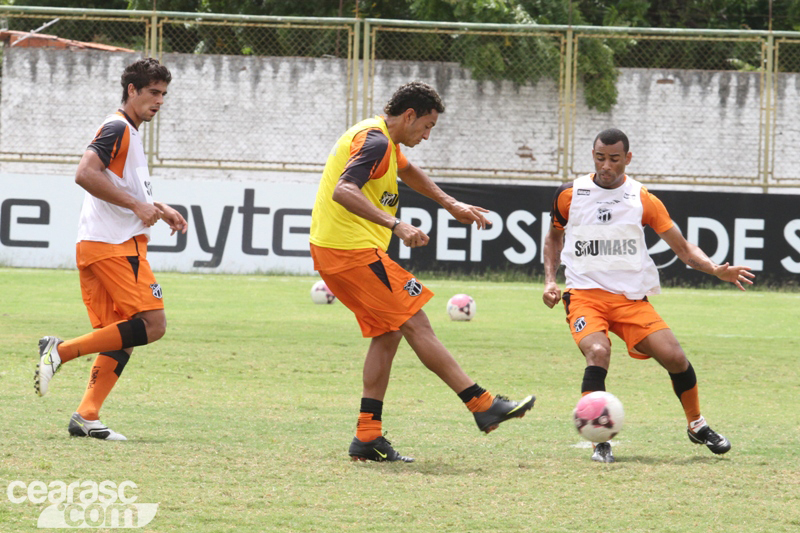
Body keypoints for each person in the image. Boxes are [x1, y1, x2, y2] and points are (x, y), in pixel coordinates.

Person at [310, 81, 535, 462]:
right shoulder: (376, 142)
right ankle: (481, 404)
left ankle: (367, 436)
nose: (427, 136)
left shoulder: (382, 139)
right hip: (350, 252)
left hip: (339, 251)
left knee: (389, 334)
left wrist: (451, 204)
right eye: (427, 126)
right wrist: (396, 224)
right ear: (409, 115)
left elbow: (409, 172)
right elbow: (344, 190)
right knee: (417, 323)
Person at [542, 128, 754, 463]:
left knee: (675, 357)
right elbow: (554, 238)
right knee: (597, 350)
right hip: (584, 295)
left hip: (630, 299)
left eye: (614, 159)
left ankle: (696, 424)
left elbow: (684, 250)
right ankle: (599, 440)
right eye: (600, 157)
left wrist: (714, 269)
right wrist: (550, 281)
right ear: (592, 155)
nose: (606, 165)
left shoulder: (641, 199)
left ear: (628, 158)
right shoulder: (570, 194)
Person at [34, 58, 188, 441]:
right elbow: (85, 173)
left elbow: (123, 188)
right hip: (116, 247)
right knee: (152, 326)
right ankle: (61, 351)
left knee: (121, 334)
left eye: (164, 94)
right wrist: (137, 207)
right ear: (132, 90)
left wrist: (157, 206)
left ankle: (86, 415)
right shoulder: (118, 126)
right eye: (153, 92)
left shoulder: (130, 133)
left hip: (98, 244)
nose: (160, 100)